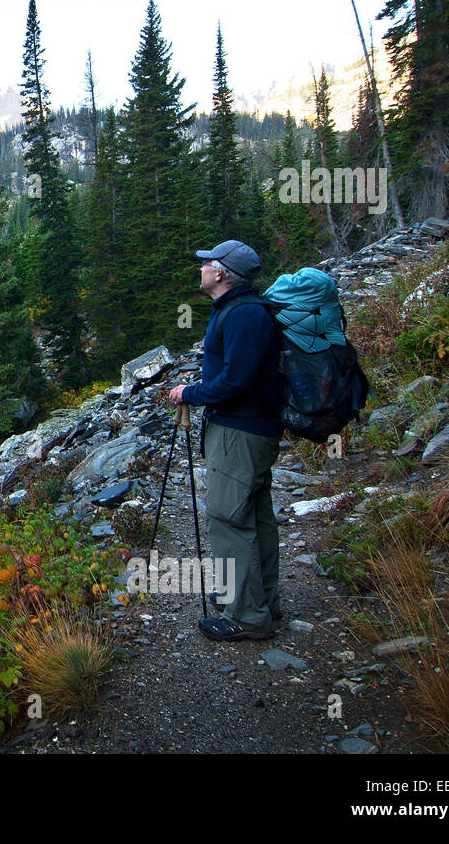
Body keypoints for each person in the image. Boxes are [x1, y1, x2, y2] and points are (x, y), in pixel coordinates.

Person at [166, 240, 284, 642]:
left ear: (220, 274)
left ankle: (247, 617)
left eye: (206, 263)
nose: (200, 268)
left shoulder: (243, 315)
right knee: (256, 515)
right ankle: (262, 599)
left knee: (227, 518)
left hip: (240, 431)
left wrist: (191, 394)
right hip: (253, 429)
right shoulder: (242, 311)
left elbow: (237, 380)